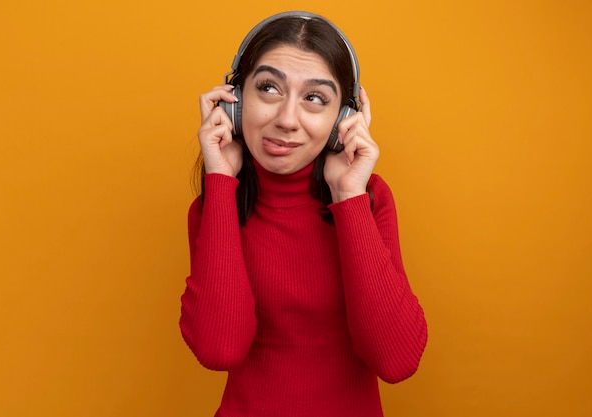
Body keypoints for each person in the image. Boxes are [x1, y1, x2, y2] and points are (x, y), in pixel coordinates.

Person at [179, 11, 428, 417]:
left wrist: (348, 196)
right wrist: (220, 180)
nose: (287, 120)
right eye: (269, 88)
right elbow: (219, 347)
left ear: (342, 120)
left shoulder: (369, 200)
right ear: (236, 101)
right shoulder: (216, 206)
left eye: (314, 98)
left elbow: (396, 360)